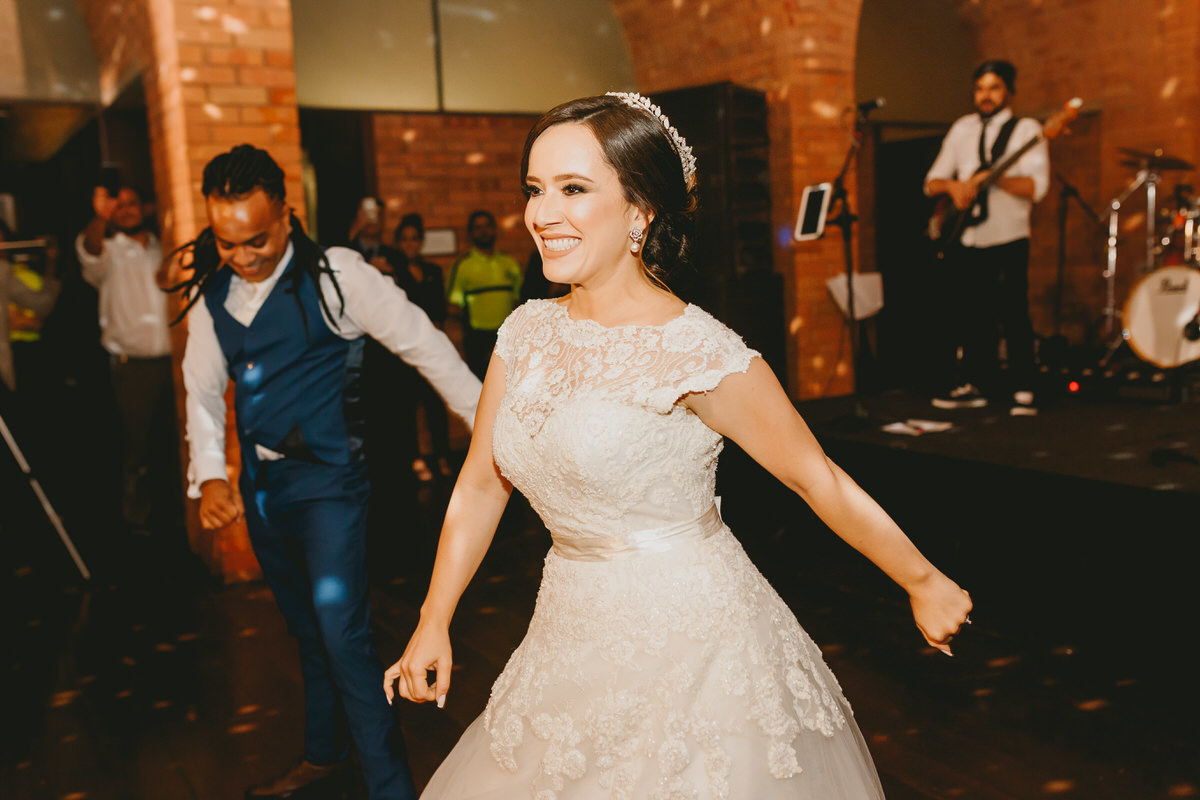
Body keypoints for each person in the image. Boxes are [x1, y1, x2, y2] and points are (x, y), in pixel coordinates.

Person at [385, 93, 972, 799]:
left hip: (697, 647)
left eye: (573, 189)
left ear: (640, 211)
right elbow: (482, 482)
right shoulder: (525, 335)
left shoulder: (697, 352)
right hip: (568, 630)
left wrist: (921, 580)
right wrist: (433, 620)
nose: (542, 214)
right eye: (535, 190)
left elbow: (816, 478)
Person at [174, 145, 481, 800]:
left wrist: (492, 425)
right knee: (306, 630)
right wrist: (212, 476)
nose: (244, 255)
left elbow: (423, 343)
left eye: (256, 238)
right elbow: (200, 389)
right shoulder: (213, 293)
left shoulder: (338, 276)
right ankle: (323, 754)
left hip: (330, 486)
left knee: (344, 635)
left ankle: (393, 789)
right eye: (228, 243)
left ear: (288, 213)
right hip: (261, 491)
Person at [924, 59, 1049, 412]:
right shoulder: (962, 128)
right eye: (980, 88)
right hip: (967, 236)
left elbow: (1036, 186)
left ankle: (1024, 385)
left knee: (1013, 310)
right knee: (973, 313)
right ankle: (981, 383)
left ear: (1008, 90)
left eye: (993, 87)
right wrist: (955, 186)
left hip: (1009, 234)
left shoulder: (1027, 130)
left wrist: (992, 178)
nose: (985, 95)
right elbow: (931, 182)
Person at [76, 182, 177, 533]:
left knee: (175, 439)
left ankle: (177, 516)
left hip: (176, 360)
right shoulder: (107, 249)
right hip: (133, 366)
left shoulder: (164, 246)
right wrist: (98, 218)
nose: (128, 210)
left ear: (145, 208)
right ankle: (136, 519)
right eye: (120, 206)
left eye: (133, 203)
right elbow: (89, 251)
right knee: (138, 445)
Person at [392, 213, 453, 481]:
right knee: (406, 408)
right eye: (404, 239)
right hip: (404, 352)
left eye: (414, 239)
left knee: (436, 407)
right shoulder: (392, 275)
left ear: (421, 242)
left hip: (431, 348)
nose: (410, 244)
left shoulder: (432, 272)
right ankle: (415, 460)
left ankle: (442, 456)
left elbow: (439, 308)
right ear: (398, 243)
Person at [445, 210, 523, 379]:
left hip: (507, 338)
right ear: (471, 233)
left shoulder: (509, 263)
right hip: (477, 339)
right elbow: (453, 307)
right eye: (478, 228)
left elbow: (518, 300)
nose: (483, 231)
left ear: (495, 230)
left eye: (487, 226)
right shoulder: (462, 265)